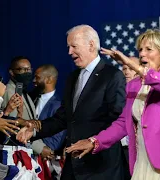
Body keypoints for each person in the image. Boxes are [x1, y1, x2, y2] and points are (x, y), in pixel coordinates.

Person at [66, 29, 160, 179]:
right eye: (140, 50)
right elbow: (123, 122)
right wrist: (95, 141)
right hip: (143, 161)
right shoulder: (134, 85)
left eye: (148, 49)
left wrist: (134, 66)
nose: (142, 53)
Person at [16, 24, 126, 180]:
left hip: (101, 167)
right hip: (74, 165)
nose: (70, 52)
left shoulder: (112, 76)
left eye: (74, 46)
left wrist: (93, 142)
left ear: (91, 45)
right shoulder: (72, 78)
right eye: (68, 47)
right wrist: (34, 130)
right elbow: (63, 118)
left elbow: (118, 121)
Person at [32, 64, 67, 180]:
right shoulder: (31, 98)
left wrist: (38, 146)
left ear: (49, 79)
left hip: (47, 164)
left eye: (37, 77)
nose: (33, 80)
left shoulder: (60, 106)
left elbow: (55, 142)